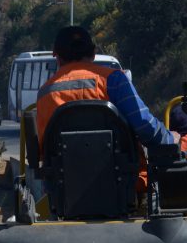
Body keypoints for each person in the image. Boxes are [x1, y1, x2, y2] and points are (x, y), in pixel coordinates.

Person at [35, 26, 178, 150]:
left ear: (57, 57)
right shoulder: (114, 81)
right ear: (93, 53)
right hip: (123, 180)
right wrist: (170, 138)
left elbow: (43, 148)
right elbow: (144, 127)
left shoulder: (45, 93)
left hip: (62, 181)